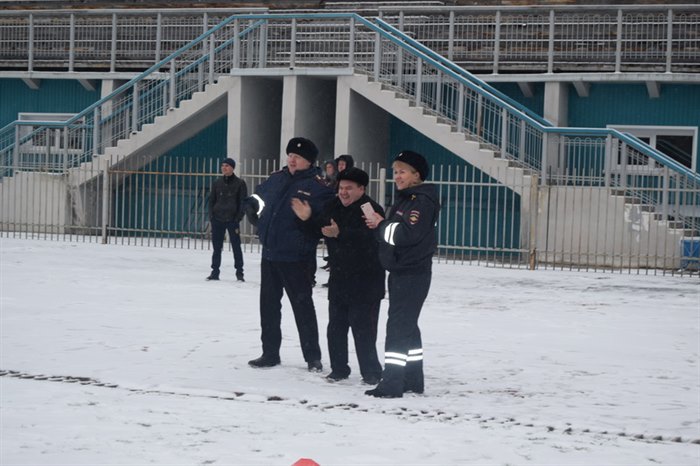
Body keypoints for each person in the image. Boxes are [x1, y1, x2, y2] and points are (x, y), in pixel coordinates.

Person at [245, 137, 336, 372]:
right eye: (290, 155)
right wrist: (253, 209)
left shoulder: (318, 187)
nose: (292, 160)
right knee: (268, 306)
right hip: (271, 253)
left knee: (302, 306)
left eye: (298, 157)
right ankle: (270, 353)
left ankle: (312, 357)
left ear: (309, 161)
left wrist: (310, 217)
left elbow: (324, 221)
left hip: (297, 257)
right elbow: (259, 198)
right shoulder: (277, 178)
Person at [292, 167, 385, 385]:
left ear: (361, 189)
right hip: (340, 278)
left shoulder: (370, 209)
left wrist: (340, 233)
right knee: (336, 328)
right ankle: (339, 368)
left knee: (363, 330)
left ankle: (371, 372)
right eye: (341, 187)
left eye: (349, 188)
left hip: (366, 281)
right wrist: (306, 218)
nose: (343, 192)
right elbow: (319, 228)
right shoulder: (332, 205)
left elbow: (371, 240)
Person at [363, 150, 440, 398]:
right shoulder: (408, 198)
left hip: (411, 273)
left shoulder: (420, 201)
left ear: (417, 175)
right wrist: (383, 225)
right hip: (402, 271)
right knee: (408, 326)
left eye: (403, 171)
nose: (397, 176)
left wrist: (381, 225)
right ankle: (412, 379)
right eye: (395, 171)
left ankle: (392, 382)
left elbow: (407, 234)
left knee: (398, 328)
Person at [207, 157, 247, 282]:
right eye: (223, 165)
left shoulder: (240, 183)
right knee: (217, 247)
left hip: (232, 219)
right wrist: (212, 216)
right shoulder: (217, 183)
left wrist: (238, 218)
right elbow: (211, 200)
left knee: (236, 246)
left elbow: (243, 202)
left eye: (227, 166)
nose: (224, 168)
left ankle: (239, 272)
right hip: (217, 218)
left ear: (232, 168)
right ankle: (215, 271)